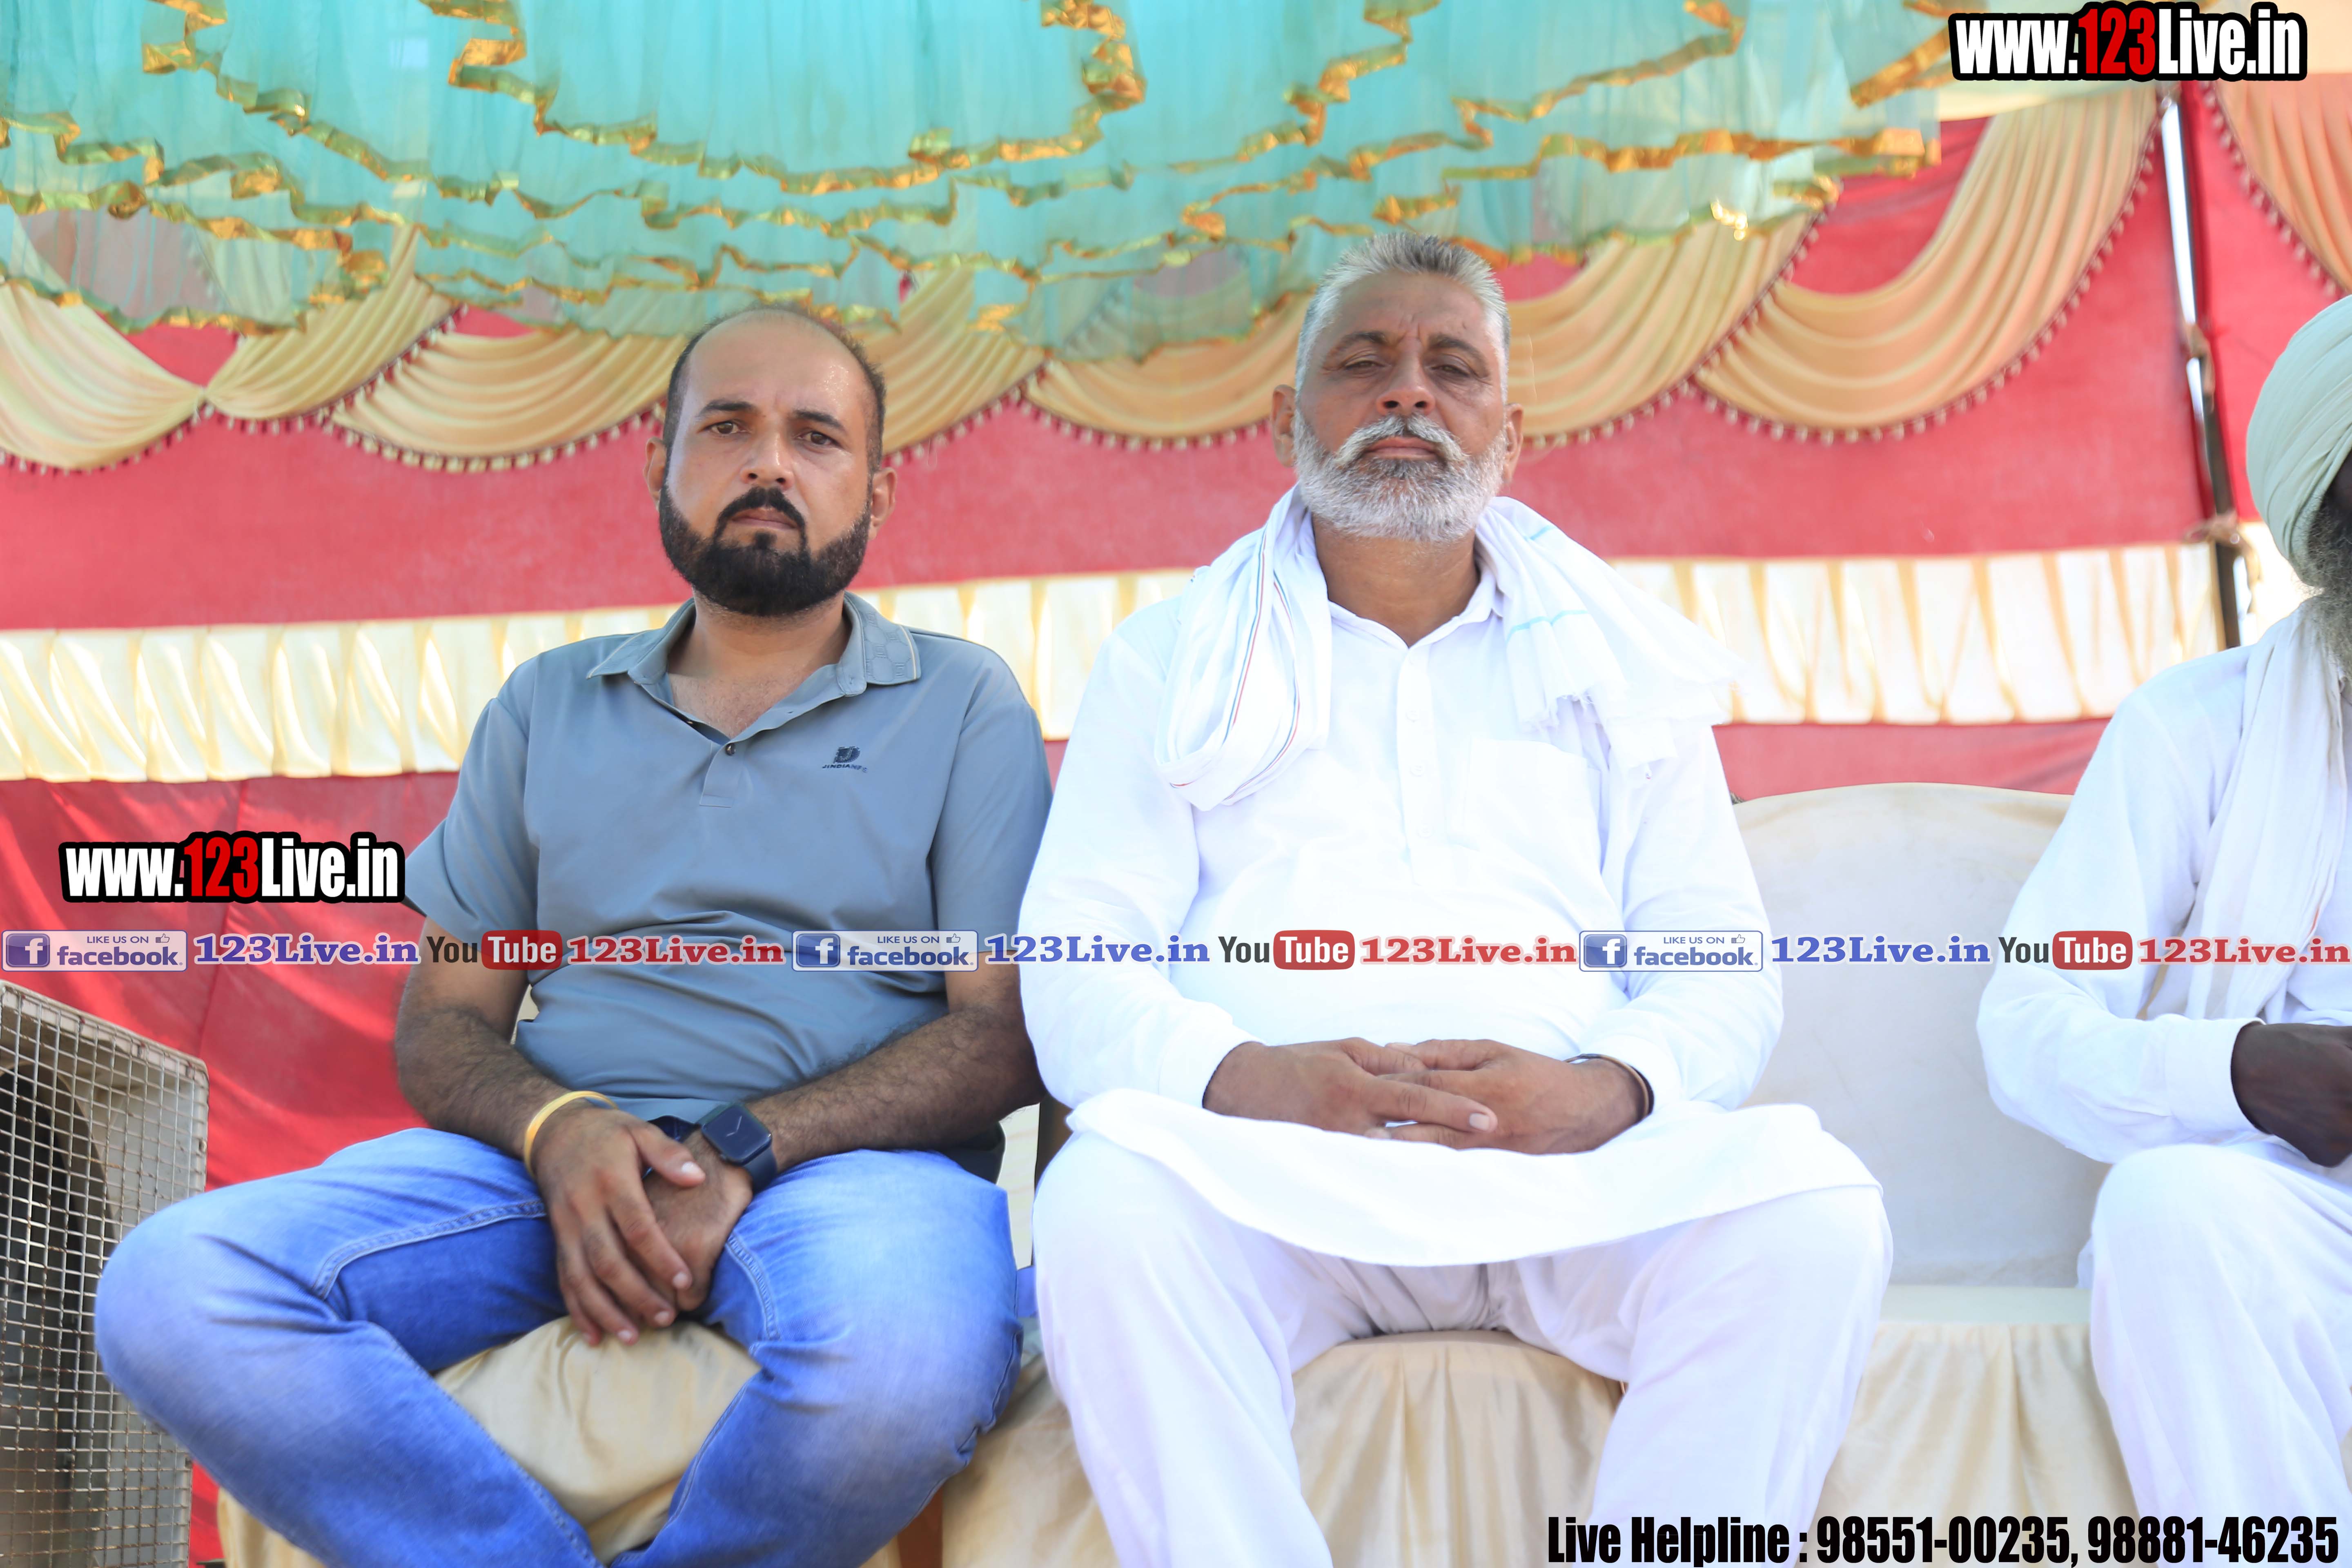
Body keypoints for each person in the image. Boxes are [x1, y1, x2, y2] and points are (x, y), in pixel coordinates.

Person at [93, 305, 1053, 1568]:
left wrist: (745, 1148)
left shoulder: (963, 701)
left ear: (876, 488)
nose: (769, 463)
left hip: (849, 1173)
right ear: (661, 462)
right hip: (544, 1175)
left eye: (816, 436)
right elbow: (446, 1022)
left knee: (905, 1372)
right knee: (172, 1289)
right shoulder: (547, 705)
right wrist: (560, 1131)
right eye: (728, 428)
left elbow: (1004, 1034)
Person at [1018, 233, 1890, 1568]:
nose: (1408, 394)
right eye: (1363, 363)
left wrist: (1604, 1091)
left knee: (1810, 1214)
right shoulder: (1170, 660)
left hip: (1568, 1183)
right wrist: (1251, 1078)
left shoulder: (1619, 667)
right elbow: (1079, 962)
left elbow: (1718, 966)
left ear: (1509, 434)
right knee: (1106, 1212)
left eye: (1453, 369)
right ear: (1290, 419)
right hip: (1273, 1178)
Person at [1980, 294, 2352, 1513]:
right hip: (2304, 1216)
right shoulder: (2200, 730)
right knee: (2169, 1207)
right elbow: (2029, 1024)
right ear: (2336, 508)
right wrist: (2241, 1073)